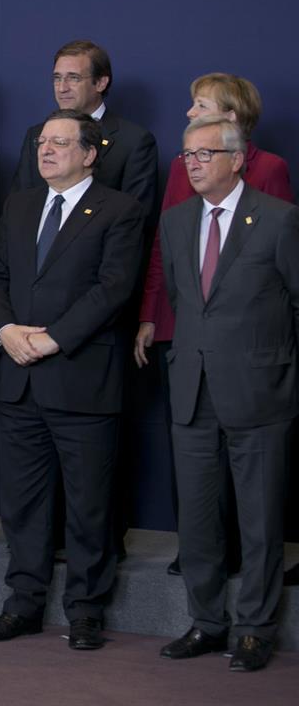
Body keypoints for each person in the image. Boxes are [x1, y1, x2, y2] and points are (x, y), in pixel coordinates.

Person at [0, 109, 144, 651]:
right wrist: (5, 331)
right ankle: (22, 605)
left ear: (90, 153)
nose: (45, 151)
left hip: (81, 380)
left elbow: (113, 288)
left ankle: (86, 611)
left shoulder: (120, 209)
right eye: (42, 142)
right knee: (22, 506)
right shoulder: (21, 204)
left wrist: (51, 339)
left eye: (60, 143)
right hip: (19, 381)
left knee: (88, 505)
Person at [133, 73, 292, 576]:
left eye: (198, 105)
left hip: (252, 365)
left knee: (253, 491)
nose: (188, 112)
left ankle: (250, 602)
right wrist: (151, 318)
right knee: (197, 483)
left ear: (230, 118)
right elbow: (170, 254)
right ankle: (203, 589)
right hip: (191, 349)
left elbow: (280, 277)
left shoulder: (271, 182)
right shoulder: (186, 172)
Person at [156, 116, 299, 673]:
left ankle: (255, 629)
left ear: (237, 160)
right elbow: (184, 299)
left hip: (261, 391)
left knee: (260, 521)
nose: (193, 164)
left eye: (205, 154)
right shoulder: (174, 222)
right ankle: (206, 622)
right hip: (192, 389)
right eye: (187, 155)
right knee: (196, 520)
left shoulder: (280, 221)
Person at [12, 41, 157, 218]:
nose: (62, 88)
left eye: (73, 78)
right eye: (57, 78)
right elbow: (19, 207)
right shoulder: (35, 135)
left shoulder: (133, 141)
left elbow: (136, 217)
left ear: (101, 83)